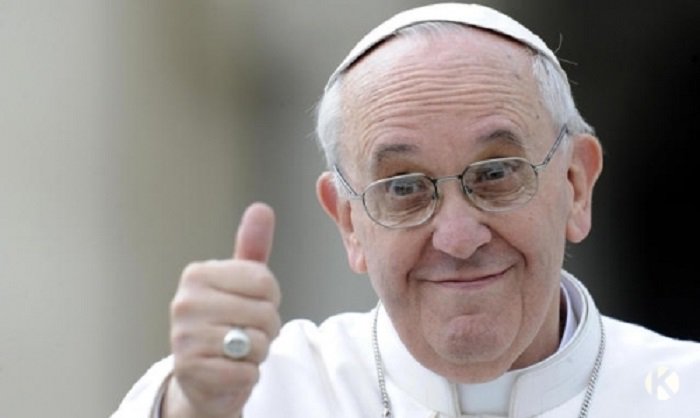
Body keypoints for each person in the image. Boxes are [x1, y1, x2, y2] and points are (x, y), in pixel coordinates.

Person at [112, 3, 700, 417]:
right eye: (404, 187)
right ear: (349, 223)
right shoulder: (263, 394)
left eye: (496, 174)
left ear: (576, 185)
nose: (458, 237)